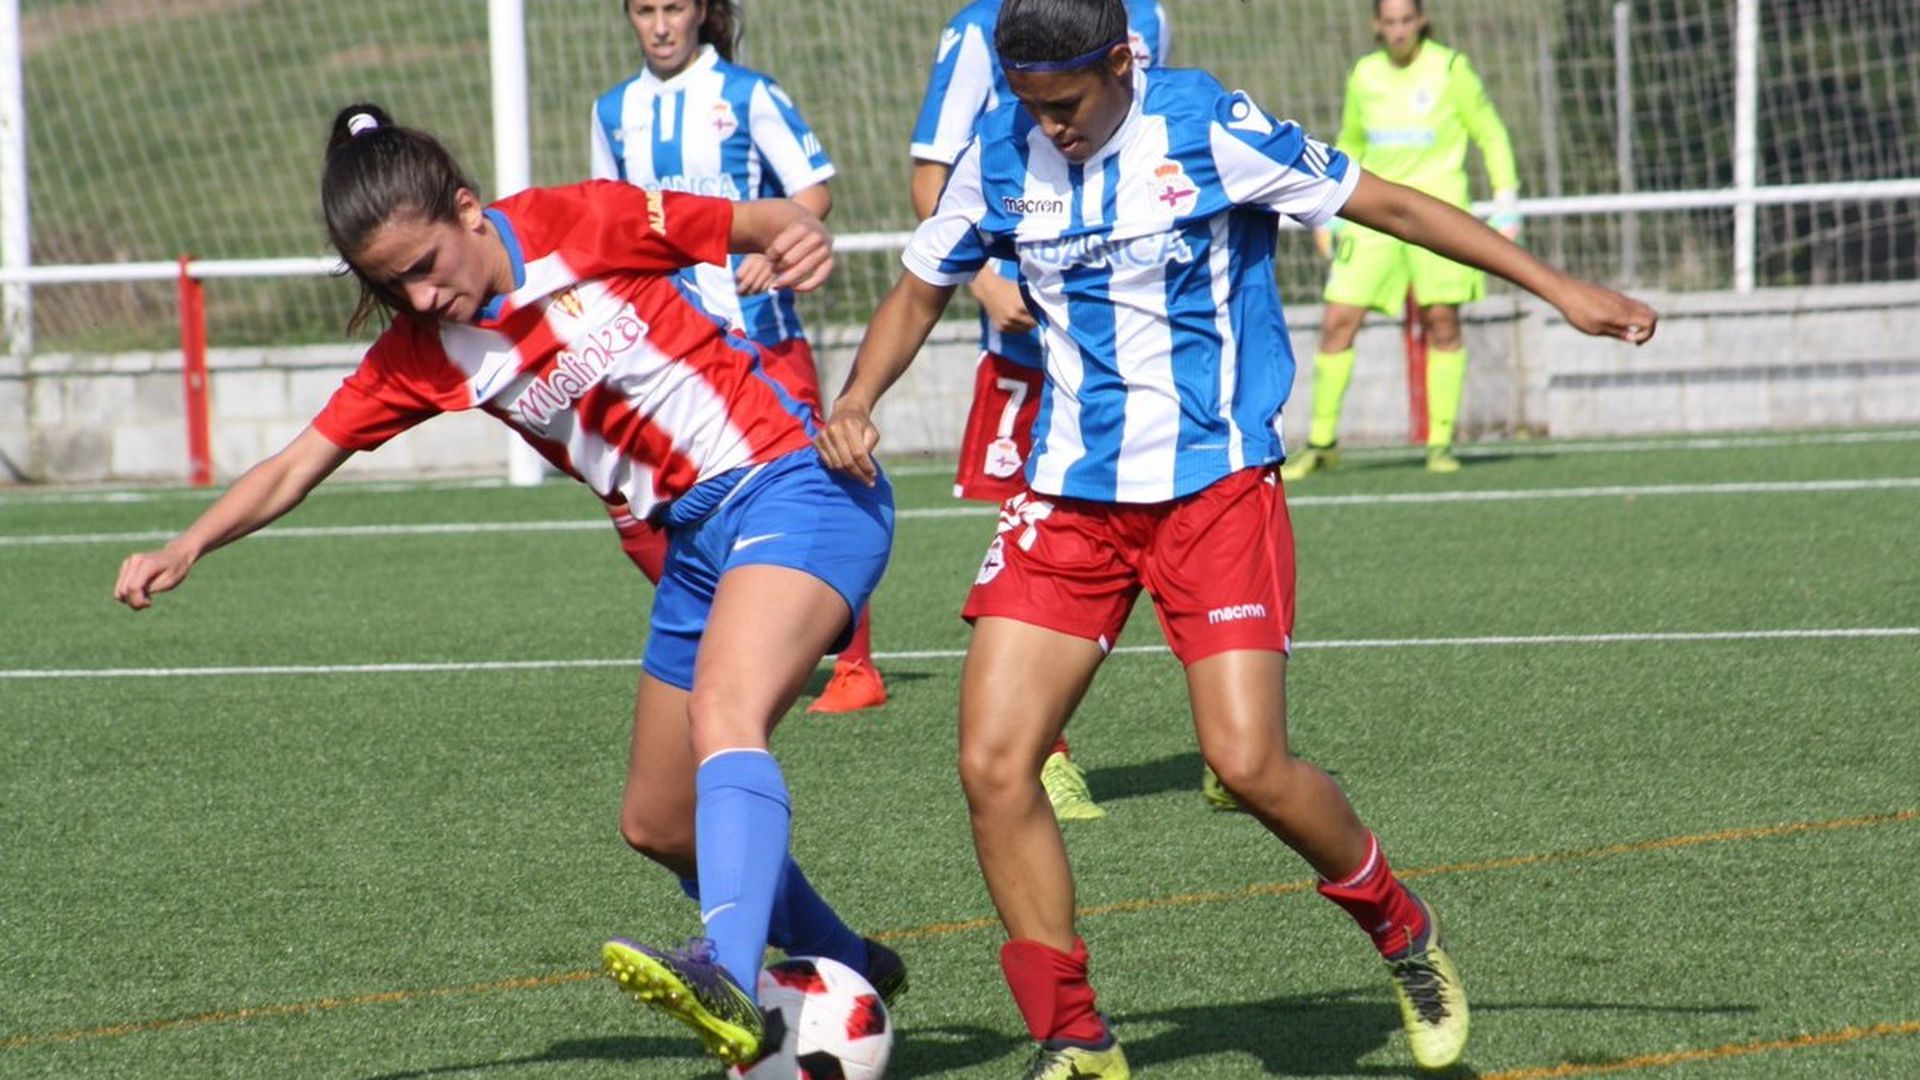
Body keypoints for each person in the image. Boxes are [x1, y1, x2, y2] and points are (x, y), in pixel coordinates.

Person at [816, 0, 1657, 1074]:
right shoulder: (1002, 150)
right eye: (1031, 106)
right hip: (1070, 496)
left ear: (1122, 62)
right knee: (993, 763)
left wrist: (1556, 287)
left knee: (1247, 763)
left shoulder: (1206, 127)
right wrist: (856, 396)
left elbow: (1388, 203)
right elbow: (918, 290)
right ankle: (1077, 1043)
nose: (1051, 128)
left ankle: (1400, 928)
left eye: (1066, 105)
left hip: (1214, 488)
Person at [113, 104, 903, 1070]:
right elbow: (294, 462)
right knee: (657, 823)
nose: (418, 295)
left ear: (469, 210)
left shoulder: (588, 219)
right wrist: (188, 544)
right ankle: (845, 960)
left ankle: (727, 972)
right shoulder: (420, 353)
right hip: (695, 545)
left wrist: (799, 236)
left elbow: (764, 221)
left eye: (425, 263)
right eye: (389, 283)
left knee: (724, 714)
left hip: (797, 485)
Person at [909, 0, 1170, 823]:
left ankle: (1236, 737)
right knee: (1026, 542)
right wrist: (986, 283)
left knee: (1182, 528)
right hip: (1034, 344)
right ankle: (1044, 753)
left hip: (1150, 351)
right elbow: (933, 174)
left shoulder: (1144, 16)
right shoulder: (978, 28)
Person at [590, 0, 887, 713]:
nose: (659, 25)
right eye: (643, 10)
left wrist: (775, 242)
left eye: (673, 8)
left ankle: (855, 668)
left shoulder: (748, 94)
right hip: (667, 344)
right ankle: (735, 623)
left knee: (823, 475)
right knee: (648, 501)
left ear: (701, 14)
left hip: (763, 328)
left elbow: (812, 189)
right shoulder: (613, 110)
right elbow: (608, 215)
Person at [1284, 0, 1522, 479]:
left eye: (1405, 21)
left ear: (1421, 21)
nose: (1397, 31)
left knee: (1441, 322)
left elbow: (1491, 134)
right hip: (1375, 215)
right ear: (1377, 25)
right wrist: (1329, 216)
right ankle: (1322, 442)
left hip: (1440, 213)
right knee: (1338, 321)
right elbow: (1349, 142)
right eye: (1388, 22)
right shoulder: (1364, 75)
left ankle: (1440, 443)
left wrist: (1506, 198)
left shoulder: (1451, 68)